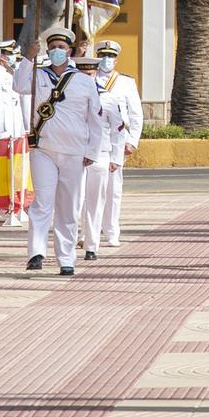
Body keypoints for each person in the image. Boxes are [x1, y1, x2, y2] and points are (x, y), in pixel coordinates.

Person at [26, 27, 104, 275]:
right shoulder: (37, 76)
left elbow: (96, 119)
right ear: (47, 50)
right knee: (42, 202)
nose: (57, 51)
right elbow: (19, 85)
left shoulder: (83, 81)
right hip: (44, 148)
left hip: (74, 151)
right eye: (53, 48)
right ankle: (36, 253)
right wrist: (28, 58)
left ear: (70, 51)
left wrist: (92, 151)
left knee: (68, 207)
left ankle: (67, 258)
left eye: (62, 48)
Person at [83, 39, 141, 251]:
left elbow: (136, 115)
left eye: (111, 56)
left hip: (116, 142)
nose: (106, 60)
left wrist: (132, 141)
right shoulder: (87, 78)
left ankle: (111, 231)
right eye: (103, 55)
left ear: (116, 59)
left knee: (113, 190)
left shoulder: (126, 82)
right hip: (89, 143)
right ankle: (87, 232)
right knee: (86, 190)